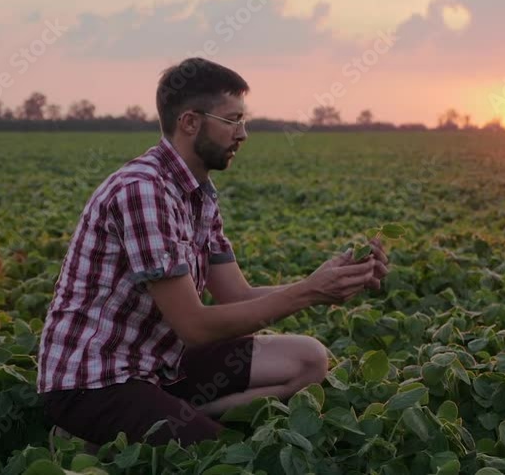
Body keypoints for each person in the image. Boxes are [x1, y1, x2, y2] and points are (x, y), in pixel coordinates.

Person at [36, 57, 390, 448]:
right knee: (219, 457)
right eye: (232, 120)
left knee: (308, 359)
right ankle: (99, 433)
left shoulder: (200, 195)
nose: (243, 134)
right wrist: (309, 292)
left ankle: (166, 421)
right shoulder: (143, 191)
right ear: (190, 122)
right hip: (96, 381)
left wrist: (326, 280)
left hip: (159, 364)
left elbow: (236, 297)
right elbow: (196, 327)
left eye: (244, 121)